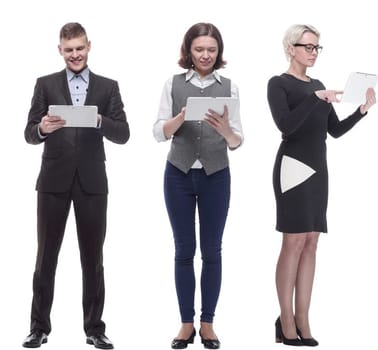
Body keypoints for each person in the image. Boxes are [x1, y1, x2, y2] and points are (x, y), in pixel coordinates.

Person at [267, 24, 376, 347]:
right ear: (291, 48)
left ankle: (304, 318)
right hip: (292, 168)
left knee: (312, 241)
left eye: (317, 48)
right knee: (293, 242)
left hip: (318, 170)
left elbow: (335, 131)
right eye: (308, 47)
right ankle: (285, 320)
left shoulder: (319, 85)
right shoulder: (279, 84)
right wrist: (315, 99)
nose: (313, 53)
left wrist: (361, 111)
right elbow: (286, 126)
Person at [22, 22, 130, 349]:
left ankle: (95, 329)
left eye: (79, 48)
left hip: (93, 183)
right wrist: (41, 127)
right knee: (46, 258)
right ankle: (39, 327)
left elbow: (123, 133)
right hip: (53, 182)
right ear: (60, 50)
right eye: (68, 49)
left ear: (89, 47)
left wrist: (100, 120)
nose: (74, 54)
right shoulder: (46, 84)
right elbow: (28, 133)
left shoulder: (108, 87)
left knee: (93, 259)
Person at [153, 23, 243, 350]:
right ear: (188, 51)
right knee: (183, 251)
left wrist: (225, 130)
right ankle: (185, 323)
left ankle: (208, 324)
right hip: (177, 173)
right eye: (199, 49)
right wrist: (178, 119)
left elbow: (237, 140)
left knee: (212, 251)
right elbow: (157, 131)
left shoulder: (229, 87)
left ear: (219, 53)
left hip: (216, 174)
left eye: (211, 50)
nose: (205, 55)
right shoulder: (172, 83)